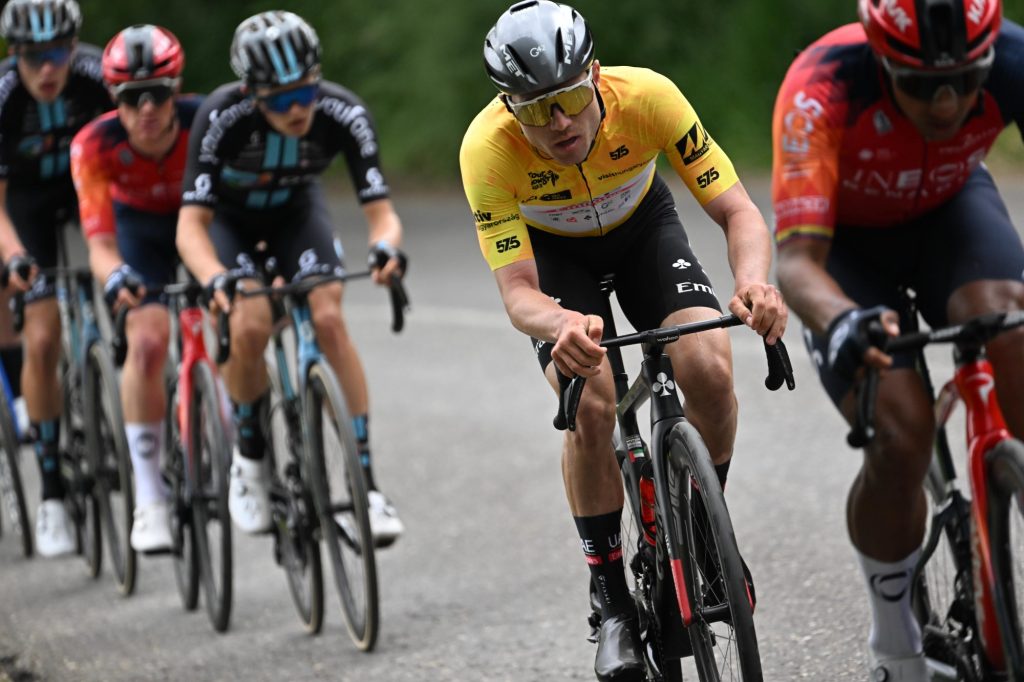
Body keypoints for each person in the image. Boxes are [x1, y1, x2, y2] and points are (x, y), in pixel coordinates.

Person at [460, 2, 787, 679]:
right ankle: (611, 602)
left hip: (644, 231)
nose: (560, 123)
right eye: (536, 110)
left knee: (709, 367)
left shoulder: (649, 97)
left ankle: (701, 535)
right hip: (557, 261)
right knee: (590, 405)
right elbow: (518, 292)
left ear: (597, 77)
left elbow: (736, 209)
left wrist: (754, 282)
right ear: (508, 106)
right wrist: (560, 325)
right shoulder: (486, 147)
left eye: (573, 99)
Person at [772, 1, 1024, 679]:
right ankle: (896, 645)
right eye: (919, 85)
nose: (947, 104)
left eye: (968, 80)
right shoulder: (823, 83)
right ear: (881, 62)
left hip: (951, 215)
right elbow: (796, 264)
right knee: (902, 433)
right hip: (846, 249)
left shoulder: (1017, 57)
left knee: (1008, 320)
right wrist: (841, 318)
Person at [175, 10, 406, 546]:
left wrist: (386, 249)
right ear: (252, 93)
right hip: (230, 224)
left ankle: (367, 487)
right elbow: (191, 228)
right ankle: (250, 460)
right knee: (250, 324)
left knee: (329, 316)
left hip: (296, 215)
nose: (298, 108)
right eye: (280, 100)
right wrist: (214, 277)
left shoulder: (342, 110)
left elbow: (381, 213)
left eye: (305, 91)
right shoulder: (221, 117)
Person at [70, 24, 201, 553]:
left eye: (159, 94)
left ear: (177, 91)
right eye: (130, 97)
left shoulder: (205, 122)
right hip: (137, 233)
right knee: (147, 342)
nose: (146, 109)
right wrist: (119, 276)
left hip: (199, 222)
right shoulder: (93, 145)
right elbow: (99, 246)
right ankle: (150, 497)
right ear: (113, 99)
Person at [0, 0, 112, 557]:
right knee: (41, 337)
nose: (49, 69)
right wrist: (16, 256)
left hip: (87, 186)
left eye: (60, 53)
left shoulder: (96, 76)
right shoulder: (2, 98)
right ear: (14, 54)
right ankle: (49, 492)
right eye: (34, 56)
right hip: (23, 202)